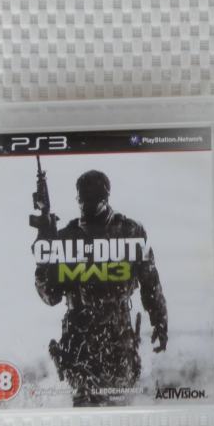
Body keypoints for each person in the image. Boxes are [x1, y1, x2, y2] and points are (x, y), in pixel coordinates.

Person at [34, 170, 167, 406]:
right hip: (80, 347)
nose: (85, 204)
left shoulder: (130, 232)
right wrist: (44, 253)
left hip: (118, 342)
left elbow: (150, 282)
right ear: (77, 198)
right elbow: (50, 296)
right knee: (85, 412)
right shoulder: (66, 238)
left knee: (120, 405)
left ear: (105, 198)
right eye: (83, 198)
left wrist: (159, 321)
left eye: (92, 198)